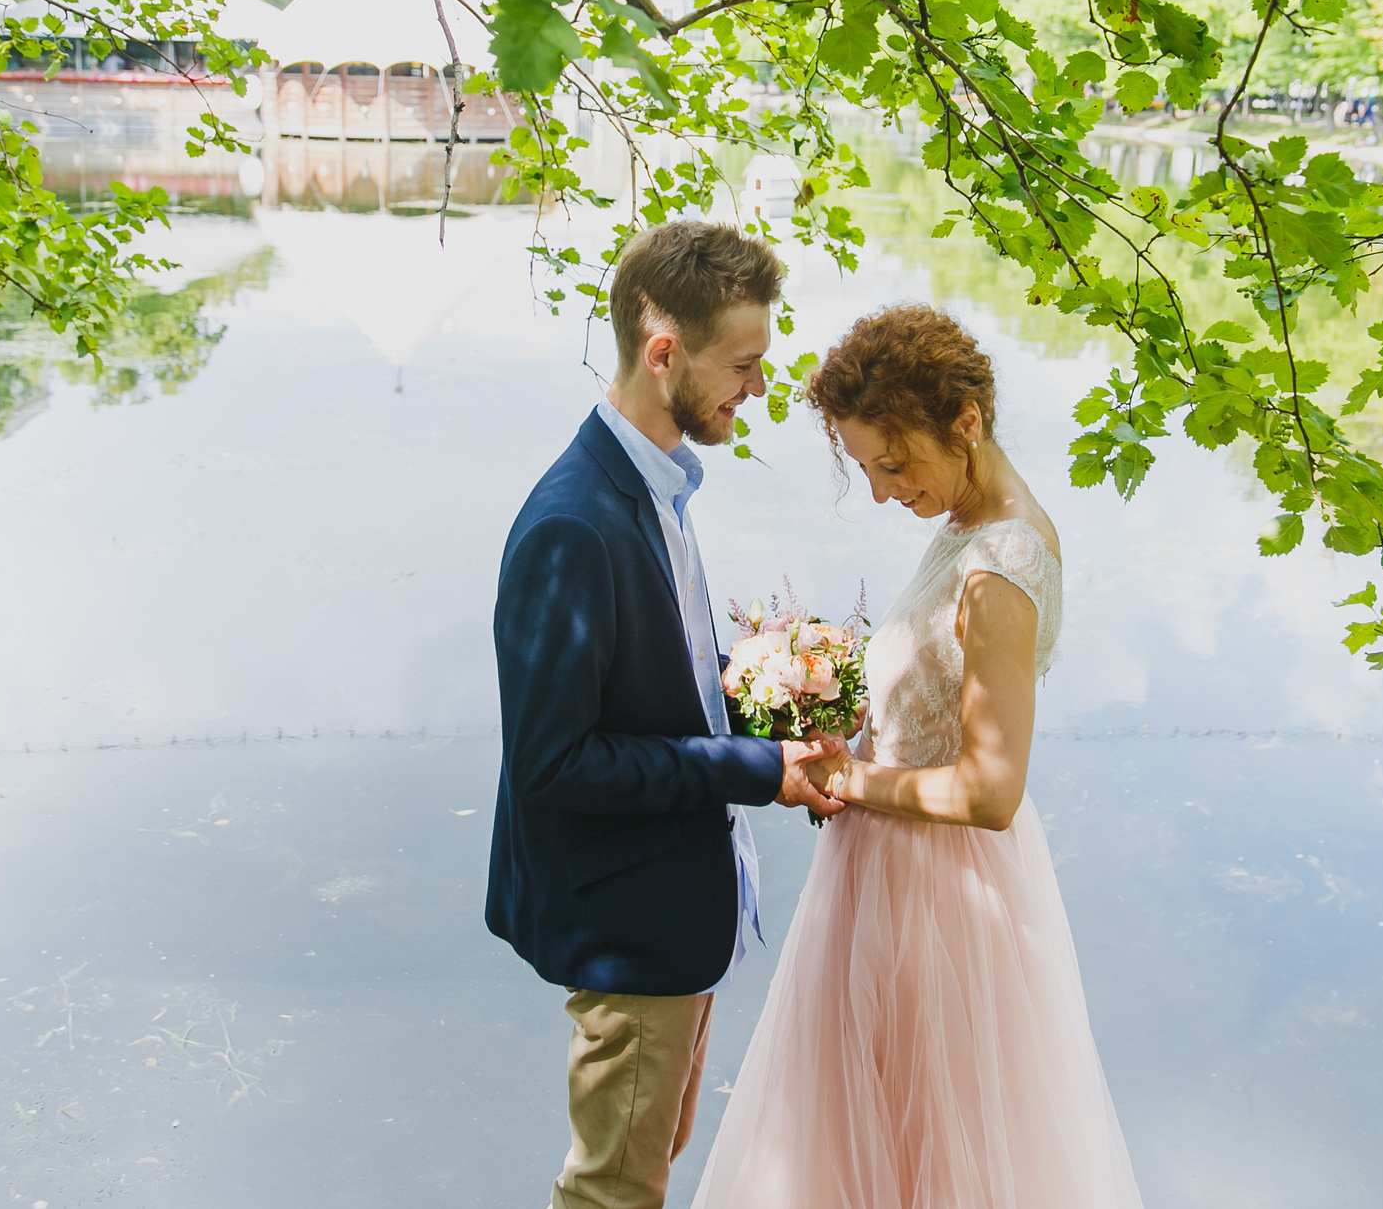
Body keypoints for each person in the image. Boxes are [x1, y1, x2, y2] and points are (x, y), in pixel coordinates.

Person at [691, 304, 1144, 1207]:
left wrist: (848, 777)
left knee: (935, 1145)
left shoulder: (1001, 563)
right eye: (865, 468)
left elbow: (991, 788)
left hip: (944, 902)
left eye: (894, 463)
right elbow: (925, 698)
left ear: (966, 421)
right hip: (887, 871)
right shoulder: (964, 528)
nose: (882, 490)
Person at [489, 219, 847, 1209]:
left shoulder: (656, 490)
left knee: (650, 1159)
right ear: (662, 353)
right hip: (627, 922)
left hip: (674, 912)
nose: (757, 387)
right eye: (742, 364)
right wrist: (751, 769)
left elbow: (662, 677)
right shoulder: (573, 524)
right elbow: (554, 765)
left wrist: (765, 683)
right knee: (612, 1190)